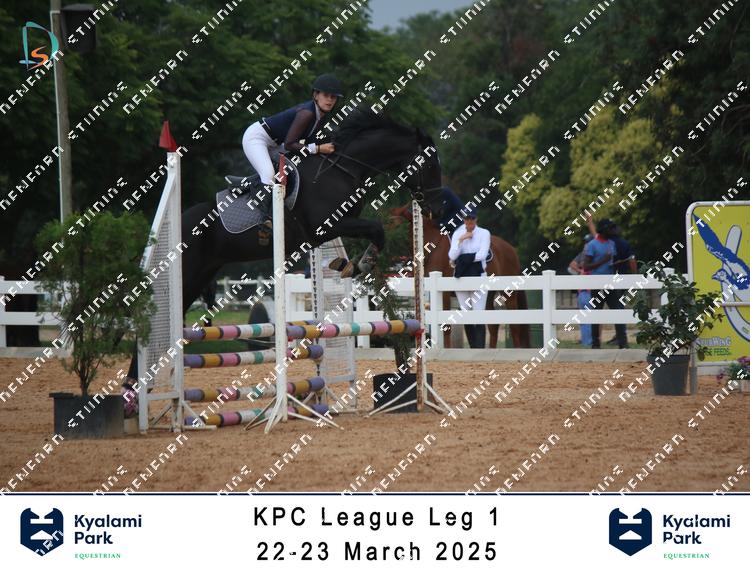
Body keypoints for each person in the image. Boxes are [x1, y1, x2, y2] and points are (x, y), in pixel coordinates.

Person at [242, 74, 342, 239]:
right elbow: (290, 144)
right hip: (257, 138)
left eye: (334, 97)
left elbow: (309, 143)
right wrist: (318, 148)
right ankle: (264, 222)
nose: (330, 100)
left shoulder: (321, 116)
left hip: (275, 144)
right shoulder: (307, 113)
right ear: (316, 95)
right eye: (326, 95)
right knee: (268, 174)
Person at [587, 215, 636, 344]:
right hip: (597, 284)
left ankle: (622, 343)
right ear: (604, 230)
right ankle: (595, 343)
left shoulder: (611, 243)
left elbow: (612, 261)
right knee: (596, 314)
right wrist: (604, 260)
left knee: (618, 311)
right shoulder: (593, 244)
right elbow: (586, 265)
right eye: (610, 228)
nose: (613, 230)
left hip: (611, 284)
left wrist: (616, 264)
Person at [448, 208, 491, 348]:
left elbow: (483, 254)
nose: (469, 221)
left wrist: (462, 260)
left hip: (478, 275)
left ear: (476, 219)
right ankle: (472, 347)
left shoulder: (484, 233)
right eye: (467, 218)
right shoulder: (457, 234)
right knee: (465, 311)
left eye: (472, 218)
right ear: (464, 220)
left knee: (479, 312)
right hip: (461, 277)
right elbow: (452, 255)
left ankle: (480, 348)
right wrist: (461, 240)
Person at [568, 234, 593, 347]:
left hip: (587, 291)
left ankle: (588, 341)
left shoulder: (588, 255)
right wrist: (580, 271)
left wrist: (580, 271)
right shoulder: (584, 255)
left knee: (587, 318)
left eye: (587, 242)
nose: (585, 245)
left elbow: (573, 265)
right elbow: (572, 265)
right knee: (586, 318)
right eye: (585, 242)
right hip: (584, 291)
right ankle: (587, 341)